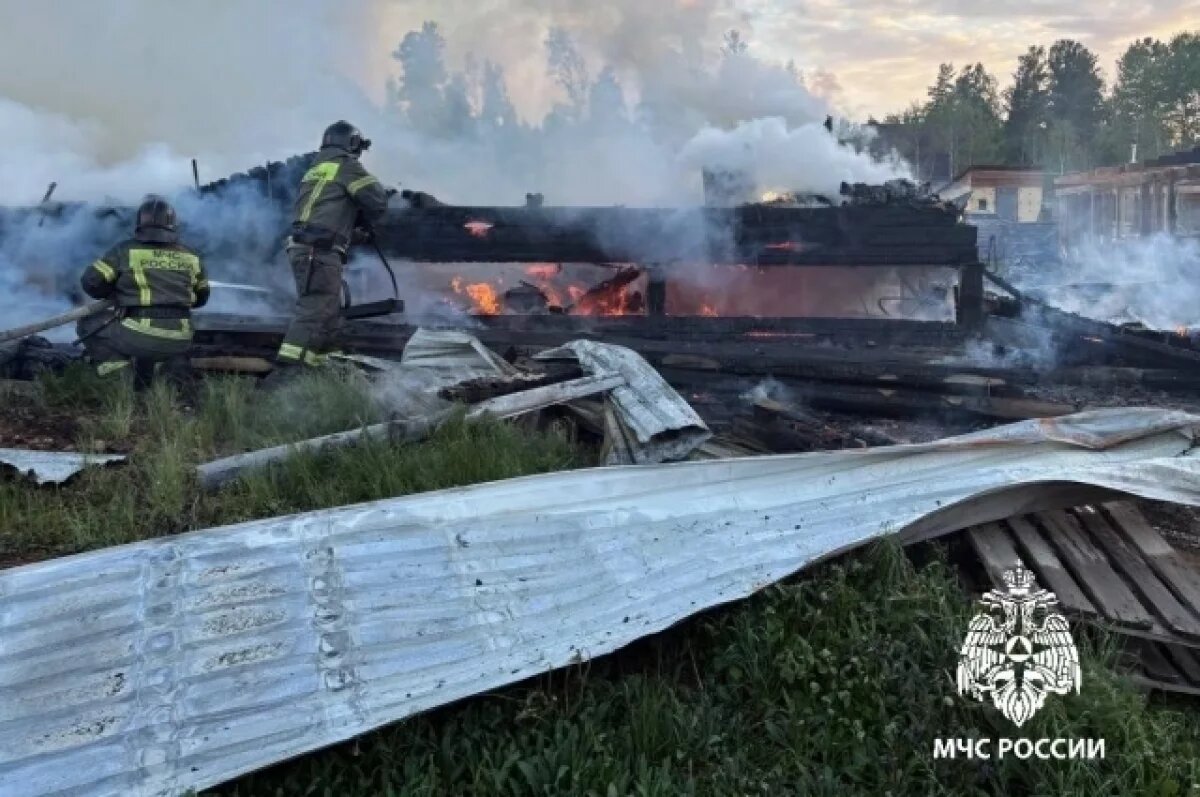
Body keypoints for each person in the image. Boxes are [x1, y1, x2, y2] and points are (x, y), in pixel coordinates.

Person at [270, 120, 390, 378]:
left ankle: (323, 372)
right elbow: (377, 200)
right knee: (314, 310)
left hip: (308, 247)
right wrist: (364, 216)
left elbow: (325, 214)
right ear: (352, 144)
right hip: (318, 251)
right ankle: (283, 378)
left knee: (329, 313)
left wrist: (351, 229)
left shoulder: (315, 170)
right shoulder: (346, 166)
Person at [77, 196, 209, 390]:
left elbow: (90, 282)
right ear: (173, 226)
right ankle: (154, 379)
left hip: (139, 334)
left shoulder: (125, 250)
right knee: (147, 341)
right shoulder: (191, 256)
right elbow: (202, 297)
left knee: (88, 324)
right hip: (181, 338)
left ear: (140, 224)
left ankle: (119, 378)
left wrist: (114, 291)